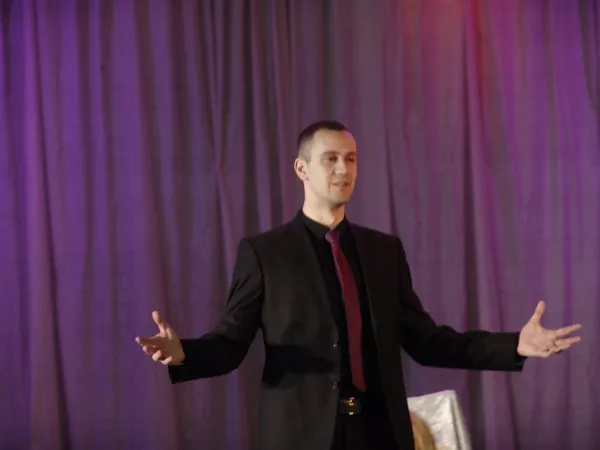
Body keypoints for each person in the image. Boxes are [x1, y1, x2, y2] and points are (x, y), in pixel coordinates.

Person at [136, 120, 582, 450]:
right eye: (330, 158)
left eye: (350, 159)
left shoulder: (383, 251)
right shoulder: (265, 253)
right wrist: (183, 353)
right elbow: (230, 343)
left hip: (379, 433)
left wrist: (514, 345)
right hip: (302, 436)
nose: (343, 168)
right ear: (301, 168)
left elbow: (428, 341)